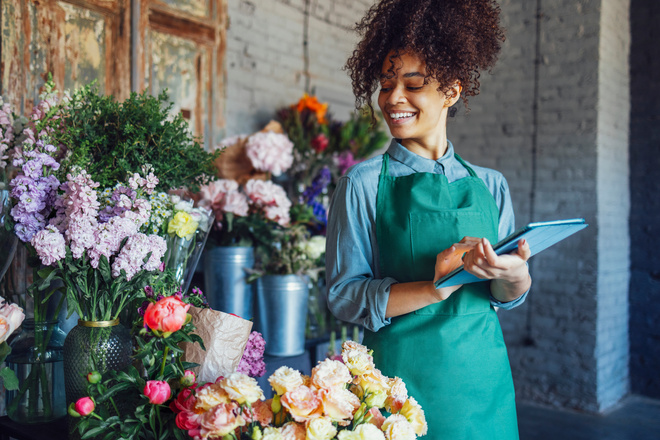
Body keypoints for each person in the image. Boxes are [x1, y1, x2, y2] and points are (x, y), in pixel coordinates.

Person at [325, 0, 532, 438]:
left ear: (452, 92)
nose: (393, 98)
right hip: (399, 390)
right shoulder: (362, 184)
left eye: (413, 83)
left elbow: (502, 297)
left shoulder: (491, 185)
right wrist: (437, 287)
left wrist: (514, 276)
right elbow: (344, 296)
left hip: (484, 384)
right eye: (385, 84)